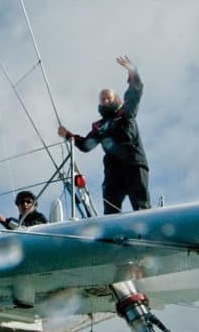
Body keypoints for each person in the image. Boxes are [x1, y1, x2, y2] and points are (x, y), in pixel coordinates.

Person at [57, 55, 151, 214]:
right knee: (110, 208)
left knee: (140, 205)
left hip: (133, 165)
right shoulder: (99, 126)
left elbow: (135, 92)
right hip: (113, 170)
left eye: (108, 98)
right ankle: (111, 229)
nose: (105, 101)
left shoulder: (126, 112)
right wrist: (67, 134)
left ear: (116, 99)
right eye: (102, 99)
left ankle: (147, 224)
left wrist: (132, 71)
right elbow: (86, 145)